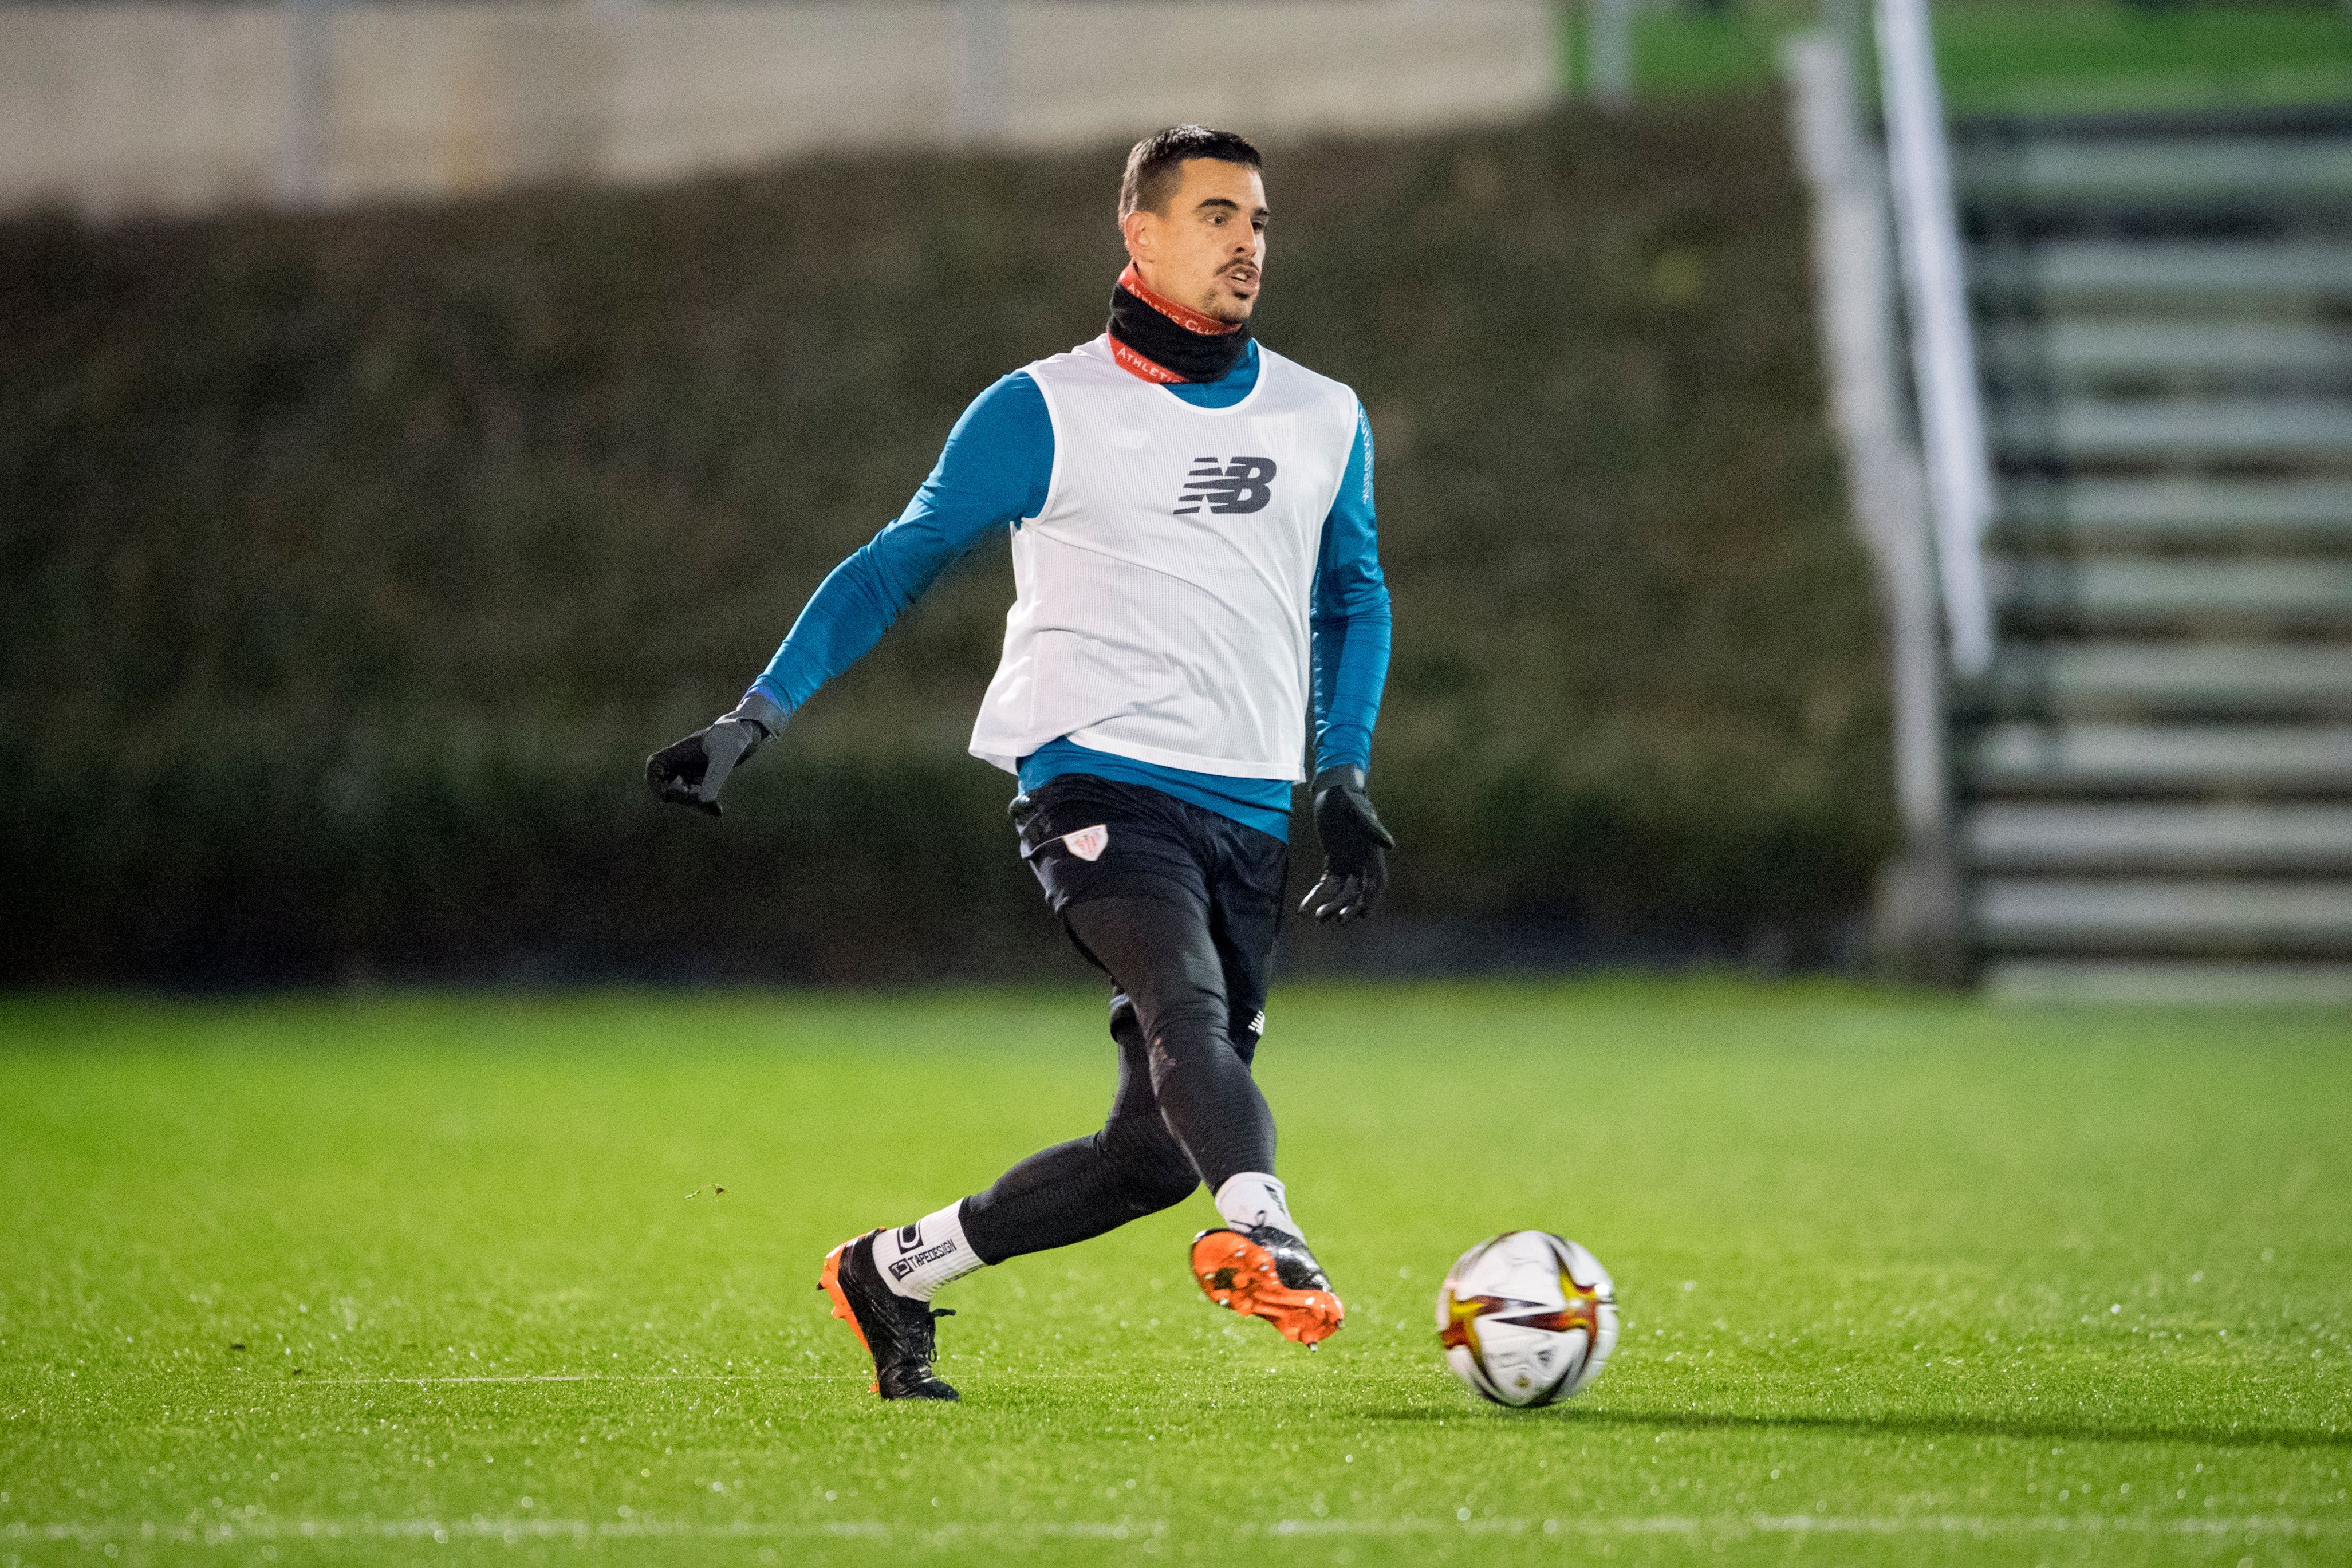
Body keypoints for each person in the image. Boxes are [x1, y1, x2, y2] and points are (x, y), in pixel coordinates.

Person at [647, 125, 1393, 1401]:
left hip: (1250, 810)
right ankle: (1267, 1226)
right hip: (1090, 778)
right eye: (1216, 215)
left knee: (1149, 1156)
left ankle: (890, 1270)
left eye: (1259, 220)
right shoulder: (1043, 408)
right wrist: (754, 713)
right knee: (1186, 1010)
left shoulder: (1321, 415)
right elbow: (896, 561)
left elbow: (1353, 596)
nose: (1246, 243)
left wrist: (1338, 777)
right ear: (1139, 233)